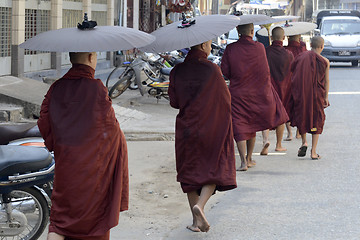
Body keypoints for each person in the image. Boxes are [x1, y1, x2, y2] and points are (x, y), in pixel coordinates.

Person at [38, 52, 129, 240]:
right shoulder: (96, 89)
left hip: (67, 167)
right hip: (93, 171)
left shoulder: (56, 88)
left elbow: (44, 123)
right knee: (95, 221)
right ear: (90, 57)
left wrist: (62, 144)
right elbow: (109, 129)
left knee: (60, 221)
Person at [168, 40, 237, 232]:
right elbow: (226, 99)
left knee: (188, 172)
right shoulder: (212, 69)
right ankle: (201, 206)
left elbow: (174, 102)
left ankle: (195, 221)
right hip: (211, 126)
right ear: (204, 46)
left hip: (187, 128)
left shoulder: (177, 70)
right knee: (212, 166)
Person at [221, 23, 289, 171]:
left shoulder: (231, 49)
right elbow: (265, 71)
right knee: (251, 125)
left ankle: (243, 162)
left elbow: (225, 71)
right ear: (252, 31)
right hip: (256, 92)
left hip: (238, 92)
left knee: (239, 125)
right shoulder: (259, 48)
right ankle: (249, 158)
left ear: (238, 31)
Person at [290, 36, 330, 159]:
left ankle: (304, 142)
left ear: (310, 44)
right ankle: (313, 151)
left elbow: (293, 74)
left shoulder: (301, 57)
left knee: (303, 116)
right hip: (317, 95)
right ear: (322, 46)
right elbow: (326, 81)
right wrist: (326, 97)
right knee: (317, 119)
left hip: (302, 92)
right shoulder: (325, 61)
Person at [265, 27, 295, 148]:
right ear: (283, 38)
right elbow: (292, 72)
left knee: (267, 113)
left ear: (271, 38)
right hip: (285, 88)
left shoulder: (265, 52)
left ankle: (265, 140)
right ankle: (278, 144)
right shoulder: (289, 54)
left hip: (269, 87)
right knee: (281, 116)